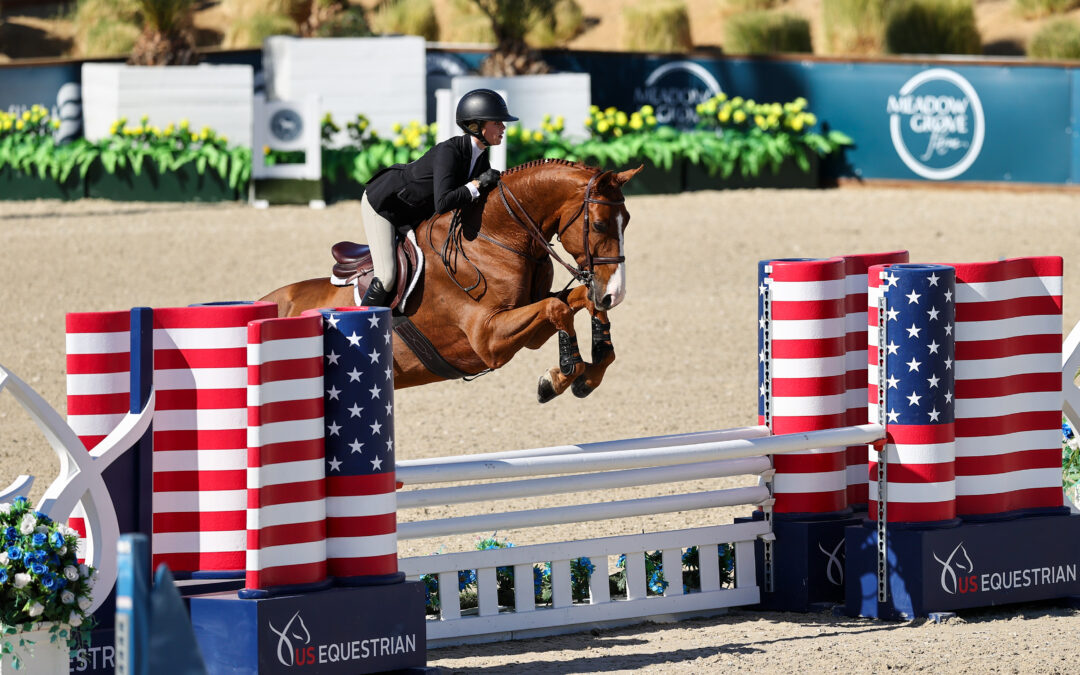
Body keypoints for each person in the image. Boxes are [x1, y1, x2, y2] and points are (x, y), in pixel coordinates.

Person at [358, 88, 518, 307]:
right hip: (385, 205)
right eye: (497, 123)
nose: (503, 128)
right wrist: (478, 184)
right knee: (386, 276)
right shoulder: (449, 152)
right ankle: (361, 327)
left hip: (413, 212)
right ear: (476, 126)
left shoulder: (481, 159)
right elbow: (443, 203)